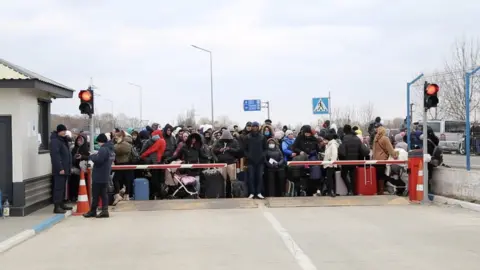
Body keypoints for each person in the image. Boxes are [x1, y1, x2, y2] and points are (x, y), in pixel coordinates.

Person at [84, 134, 114, 218]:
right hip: (105, 174)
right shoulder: (110, 149)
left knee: (96, 194)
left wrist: (92, 156)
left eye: (98, 142)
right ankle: (104, 210)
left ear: (101, 141)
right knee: (103, 194)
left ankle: (93, 211)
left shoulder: (103, 149)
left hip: (99, 175)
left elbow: (99, 160)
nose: (98, 144)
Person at [50, 124, 73, 214]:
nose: (64, 132)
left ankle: (61, 203)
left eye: (65, 131)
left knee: (63, 187)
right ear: (59, 131)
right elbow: (55, 156)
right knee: (58, 188)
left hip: (65, 168)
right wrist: (60, 168)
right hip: (60, 169)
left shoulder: (63, 140)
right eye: (63, 131)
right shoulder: (55, 141)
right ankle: (57, 206)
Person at [338, 125, 367, 195]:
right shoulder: (356, 138)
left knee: (343, 175)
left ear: (345, 131)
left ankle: (349, 189)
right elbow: (362, 149)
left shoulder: (344, 138)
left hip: (346, 161)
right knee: (352, 176)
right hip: (355, 160)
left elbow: (342, 151)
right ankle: (354, 191)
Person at [372, 126, 398, 194]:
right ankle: (381, 190)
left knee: (377, 175)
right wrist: (395, 155)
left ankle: (377, 189)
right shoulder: (385, 138)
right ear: (384, 132)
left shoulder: (375, 138)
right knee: (382, 176)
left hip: (375, 159)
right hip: (382, 159)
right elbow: (390, 149)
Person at [244, 121, 267, 199]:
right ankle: (252, 192)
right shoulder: (247, 137)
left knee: (259, 177)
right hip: (250, 161)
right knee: (251, 177)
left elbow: (265, 148)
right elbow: (245, 149)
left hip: (260, 161)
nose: (255, 128)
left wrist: (262, 155)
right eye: (253, 126)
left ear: (258, 127)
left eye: (256, 126)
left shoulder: (262, 137)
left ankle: (258, 192)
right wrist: (248, 156)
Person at [112, 131, 135, 205]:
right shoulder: (120, 144)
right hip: (122, 164)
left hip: (124, 164)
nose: (115, 138)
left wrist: (114, 145)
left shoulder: (124, 144)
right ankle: (125, 194)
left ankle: (120, 194)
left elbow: (117, 150)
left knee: (117, 179)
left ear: (121, 137)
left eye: (117, 137)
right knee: (125, 179)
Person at [69, 134, 89, 202]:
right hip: (75, 168)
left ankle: (79, 195)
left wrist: (82, 157)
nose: (79, 141)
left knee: (80, 182)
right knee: (73, 182)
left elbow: (88, 157)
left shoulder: (86, 148)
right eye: (78, 140)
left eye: (80, 140)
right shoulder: (74, 148)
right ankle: (73, 196)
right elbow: (71, 158)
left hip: (82, 169)